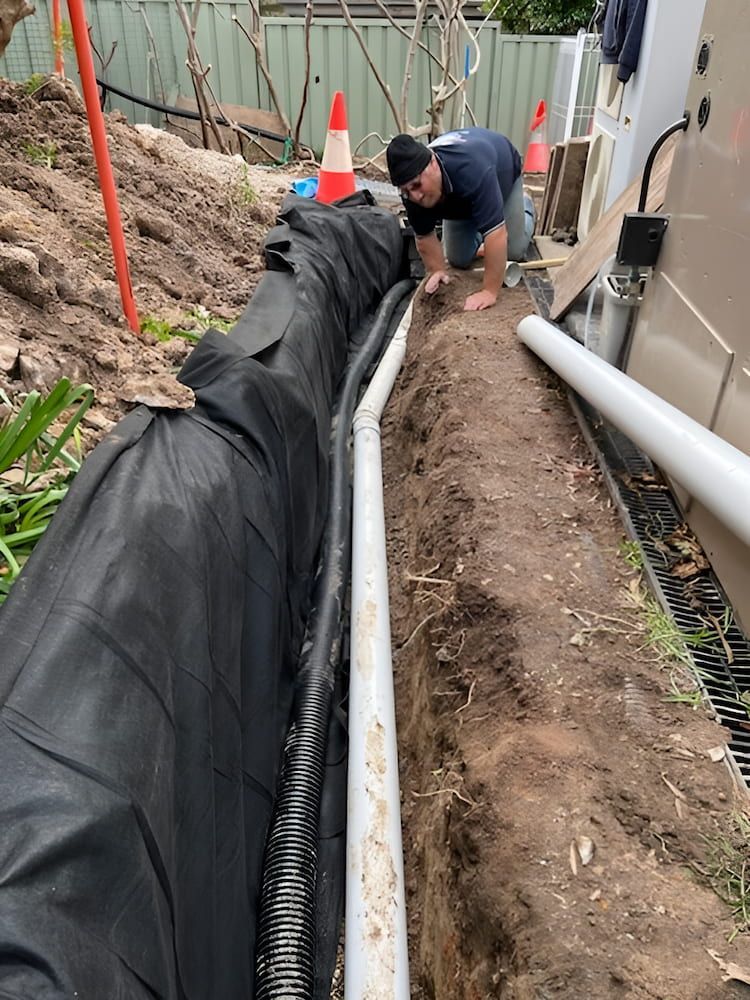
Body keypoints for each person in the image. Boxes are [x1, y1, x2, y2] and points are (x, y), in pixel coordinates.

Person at [386, 128, 535, 312]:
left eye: (417, 185)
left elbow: (497, 235)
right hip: (462, 199)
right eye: (406, 191)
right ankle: (484, 221)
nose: (416, 196)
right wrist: (437, 270)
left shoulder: (471, 169)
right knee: (458, 259)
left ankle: (525, 206)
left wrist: (489, 291)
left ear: (433, 163)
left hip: (502, 173)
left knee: (513, 250)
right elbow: (424, 236)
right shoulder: (411, 193)